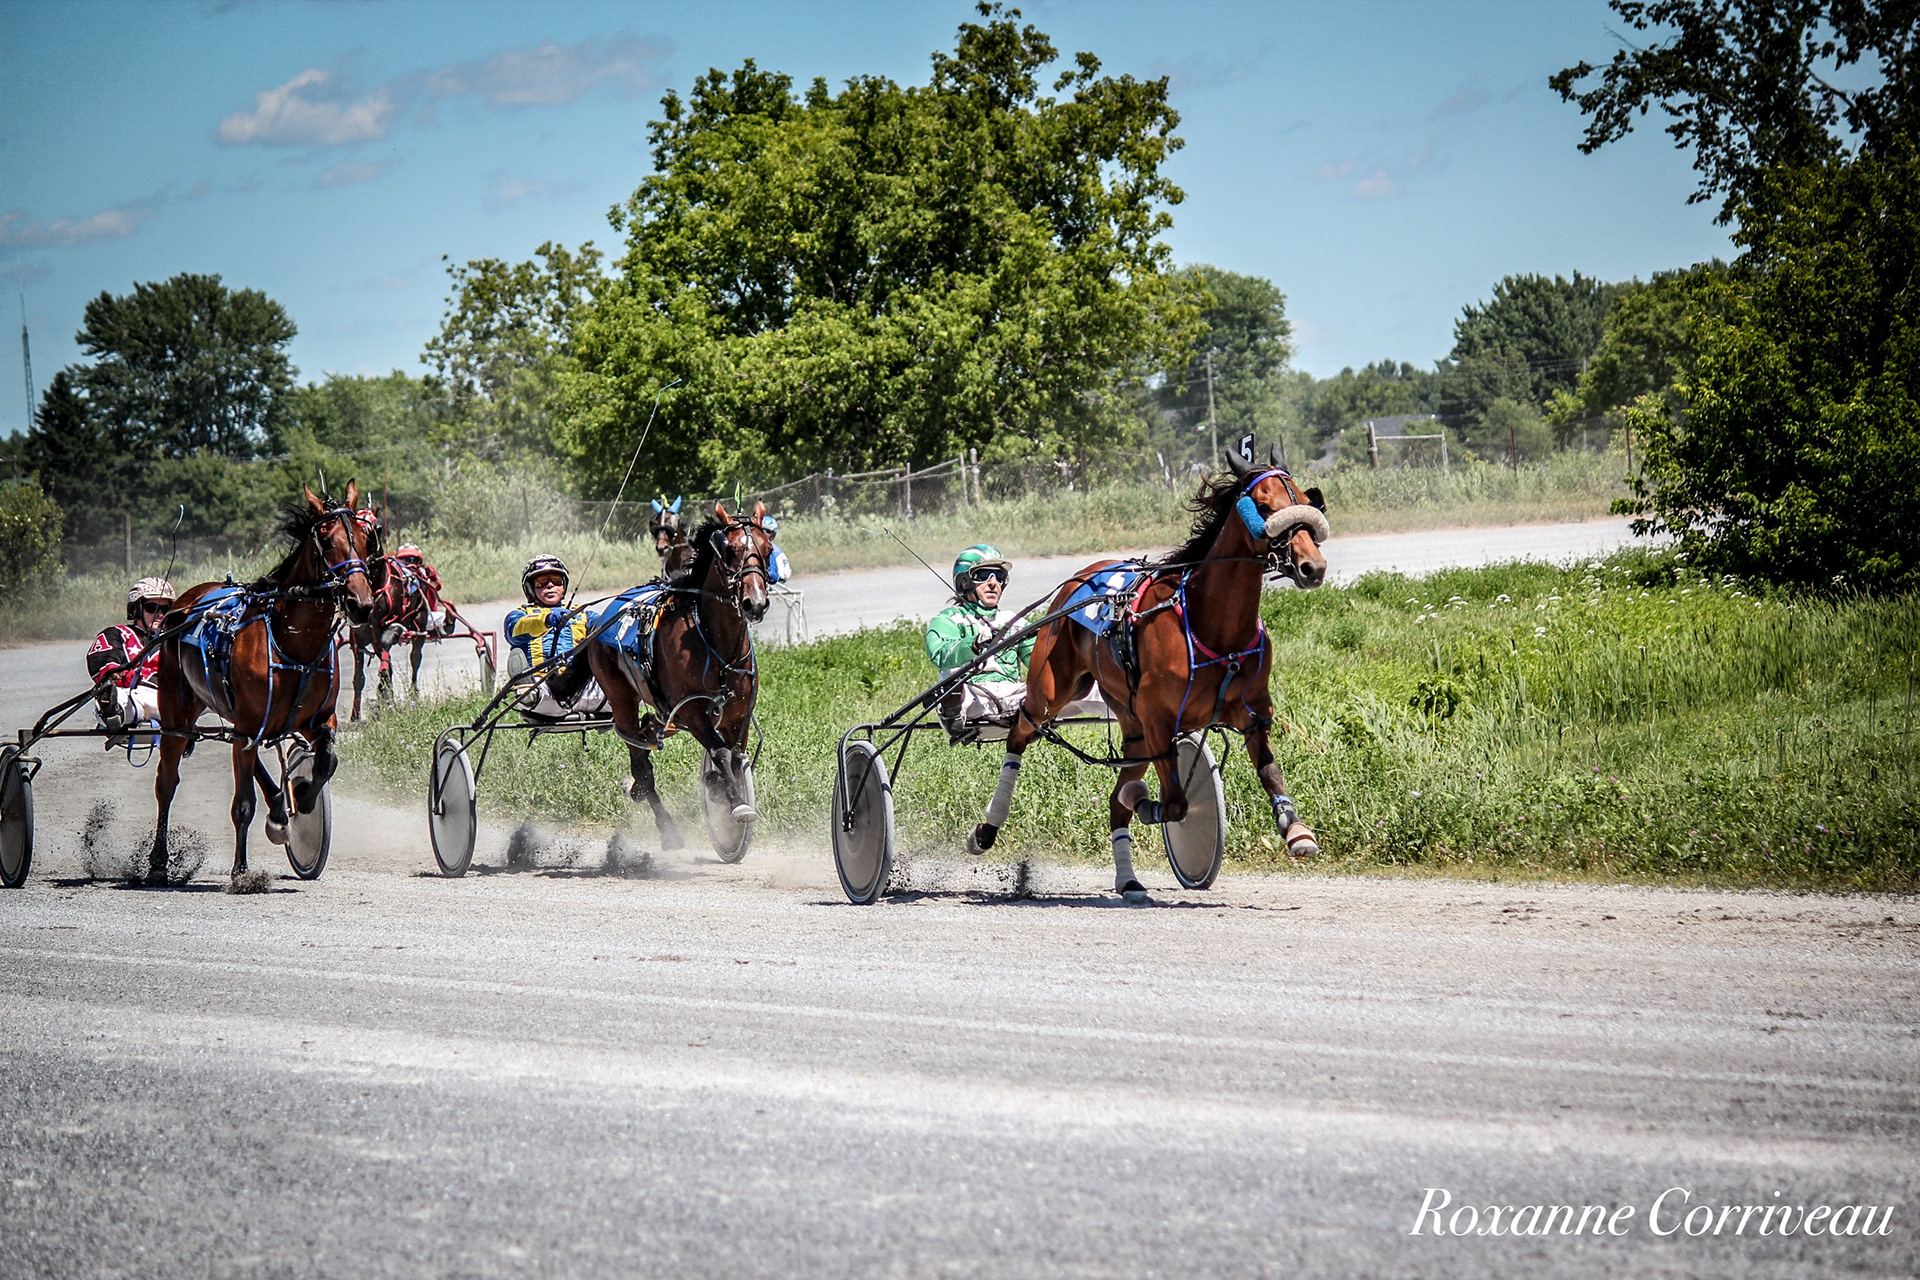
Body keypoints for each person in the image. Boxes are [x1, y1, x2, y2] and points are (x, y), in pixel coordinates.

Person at [503, 554, 603, 718]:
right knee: (535, 692)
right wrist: (547, 620)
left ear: (563, 586)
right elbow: (516, 630)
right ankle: (527, 692)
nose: (550, 586)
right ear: (529, 588)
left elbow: (605, 625)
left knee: (624, 687)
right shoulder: (518, 616)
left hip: (582, 688)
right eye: (541, 582)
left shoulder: (583, 614)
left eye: (556, 581)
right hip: (545, 690)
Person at [88, 577, 173, 737]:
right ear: (136, 610)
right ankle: (112, 709)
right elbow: (105, 667)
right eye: (152, 608)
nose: (160, 614)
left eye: (165, 609)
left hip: (171, 696)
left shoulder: (176, 639)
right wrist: (130, 678)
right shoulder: (116, 633)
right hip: (133, 692)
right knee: (122, 697)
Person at [391, 543, 452, 635]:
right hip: (397, 617)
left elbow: (436, 586)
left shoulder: (424, 573)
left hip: (424, 615)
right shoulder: (394, 577)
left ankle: (444, 627)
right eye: (403, 559)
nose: (408, 562)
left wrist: (432, 577)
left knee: (443, 617)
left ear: (418, 560)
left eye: (412, 559)